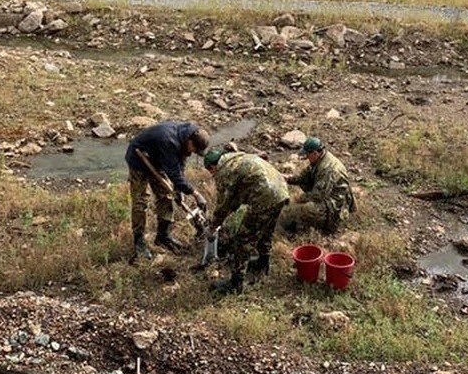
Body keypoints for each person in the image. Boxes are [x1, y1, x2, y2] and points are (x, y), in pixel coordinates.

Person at [203, 148, 290, 295]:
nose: (212, 175)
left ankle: (236, 284)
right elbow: (236, 198)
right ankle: (263, 264)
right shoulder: (239, 157)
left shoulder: (224, 172)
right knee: (266, 230)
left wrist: (213, 226)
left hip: (265, 198)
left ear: (212, 167)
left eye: (211, 172)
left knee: (242, 240)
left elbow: (223, 205)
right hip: (281, 191)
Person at [125, 121, 210, 259]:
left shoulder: (185, 138)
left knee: (166, 197)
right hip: (139, 159)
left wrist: (179, 190)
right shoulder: (169, 141)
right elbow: (174, 174)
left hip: (157, 160)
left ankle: (163, 236)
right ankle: (139, 241)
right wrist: (195, 193)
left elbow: (180, 167)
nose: (192, 153)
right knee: (141, 201)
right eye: (193, 149)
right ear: (190, 141)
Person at [279, 137, 356, 235]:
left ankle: (309, 228)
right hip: (326, 196)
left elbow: (318, 196)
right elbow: (303, 177)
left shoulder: (328, 169)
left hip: (334, 205)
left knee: (295, 210)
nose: (306, 157)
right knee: (296, 207)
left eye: (307, 154)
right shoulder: (319, 159)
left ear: (315, 153)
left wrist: (299, 200)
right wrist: (287, 179)